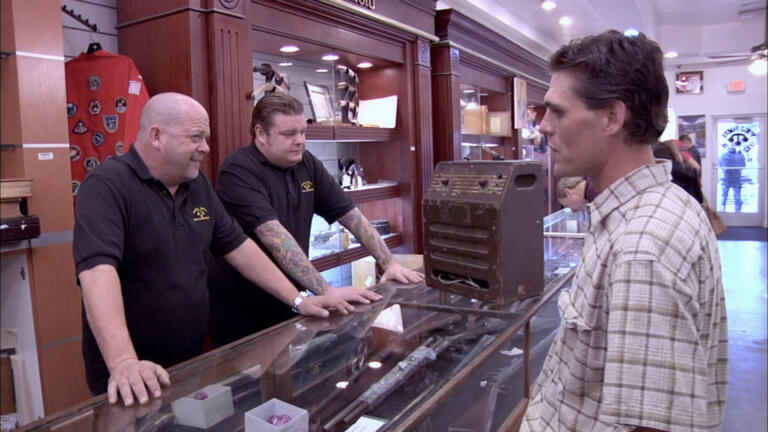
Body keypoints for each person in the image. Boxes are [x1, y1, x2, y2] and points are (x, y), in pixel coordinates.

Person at [73, 92, 379, 407]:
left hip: (189, 362)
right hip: (131, 374)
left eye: (205, 138)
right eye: (196, 138)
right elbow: (96, 273)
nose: (205, 147)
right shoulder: (107, 186)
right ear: (156, 136)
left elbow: (240, 247)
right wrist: (123, 362)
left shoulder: (196, 185)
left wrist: (299, 299)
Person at [521, 30, 727, 432]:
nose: (543, 126)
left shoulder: (641, 247)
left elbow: (652, 425)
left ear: (612, 117)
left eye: (557, 112)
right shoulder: (645, 211)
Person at [207, 92, 423, 347]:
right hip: (242, 307)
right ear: (261, 134)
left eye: (303, 132)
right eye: (289, 134)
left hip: (293, 301)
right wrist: (326, 290)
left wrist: (389, 263)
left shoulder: (306, 163)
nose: (300, 141)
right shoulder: (238, 170)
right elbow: (276, 238)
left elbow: (351, 215)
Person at [719, 146, 746, 212]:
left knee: (724, 197)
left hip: (727, 178)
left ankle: (722, 211)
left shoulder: (723, 156)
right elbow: (743, 166)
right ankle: (738, 212)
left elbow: (721, 165)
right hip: (736, 179)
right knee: (737, 197)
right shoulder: (739, 156)